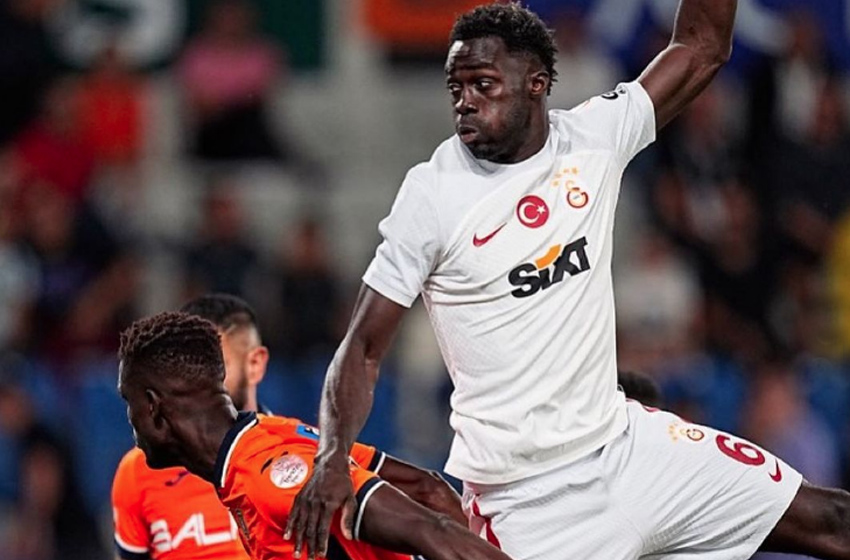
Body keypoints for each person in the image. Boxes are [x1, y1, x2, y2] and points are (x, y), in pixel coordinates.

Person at [287, 3, 850, 560]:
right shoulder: (432, 194)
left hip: (630, 450)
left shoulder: (592, 139)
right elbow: (362, 348)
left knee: (832, 519)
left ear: (536, 83)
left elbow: (701, 47)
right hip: (526, 502)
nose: (465, 101)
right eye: (456, 87)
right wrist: (333, 458)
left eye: (483, 84)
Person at [116, 312, 512, 560]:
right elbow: (428, 489)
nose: (130, 420)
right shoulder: (275, 435)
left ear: (153, 406)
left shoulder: (270, 476)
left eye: (128, 401)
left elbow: (431, 529)